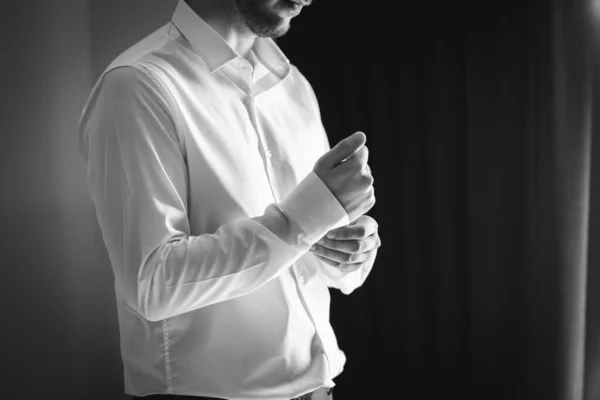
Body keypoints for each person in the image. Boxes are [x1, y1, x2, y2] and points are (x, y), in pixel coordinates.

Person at [77, 0, 381, 399]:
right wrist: (305, 217)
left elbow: (305, 247)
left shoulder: (293, 85)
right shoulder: (138, 85)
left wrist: (349, 250)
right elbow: (153, 284)